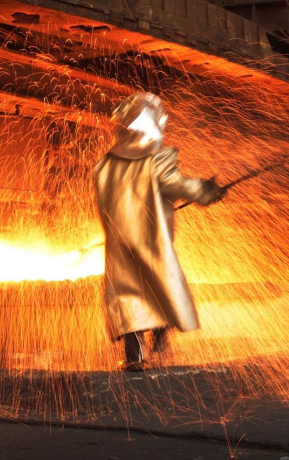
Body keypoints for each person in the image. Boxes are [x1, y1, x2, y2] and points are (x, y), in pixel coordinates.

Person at [94, 92, 225, 371]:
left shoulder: (105, 164)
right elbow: (176, 185)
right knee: (159, 289)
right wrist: (207, 191)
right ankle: (162, 350)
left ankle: (135, 358)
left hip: (120, 243)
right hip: (151, 241)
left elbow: (111, 201)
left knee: (129, 297)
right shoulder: (155, 159)